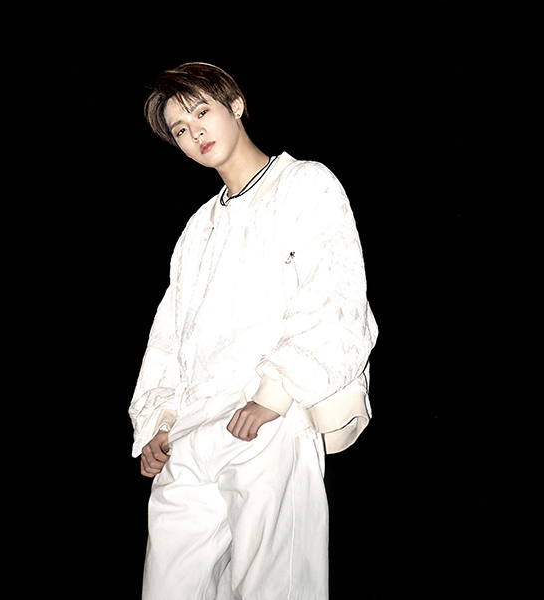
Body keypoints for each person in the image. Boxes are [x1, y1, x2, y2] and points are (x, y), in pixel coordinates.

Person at [130, 62, 378, 599]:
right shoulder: (199, 227)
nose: (195, 133)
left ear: (235, 105)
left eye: (202, 112)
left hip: (267, 422)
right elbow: (171, 332)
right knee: (168, 585)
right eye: (180, 129)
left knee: (274, 585)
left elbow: (334, 292)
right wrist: (159, 419)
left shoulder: (304, 184)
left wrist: (275, 393)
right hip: (193, 433)